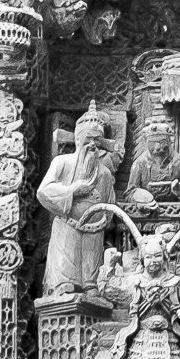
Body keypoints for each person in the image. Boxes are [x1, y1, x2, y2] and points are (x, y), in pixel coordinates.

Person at [37, 109, 119, 298]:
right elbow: (43, 192)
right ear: (77, 139)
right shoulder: (62, 163)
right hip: (68, 226)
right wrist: (72, 191)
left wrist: (103, 219)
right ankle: (63, 285)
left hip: (94, 231)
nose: (92, 144)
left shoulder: (105, 174)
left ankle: (91, 285)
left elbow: (110, 202)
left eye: (97, 140)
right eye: (88, 139)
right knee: (67, 274)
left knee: (91, 276)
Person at [124, 120, 180, 204]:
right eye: (152, 144)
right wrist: (142, 197)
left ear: (169, 142)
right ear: (146, 144)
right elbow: (129, 193)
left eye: (161, 143)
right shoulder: (139, 164)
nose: (157, 147)